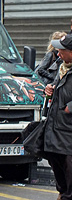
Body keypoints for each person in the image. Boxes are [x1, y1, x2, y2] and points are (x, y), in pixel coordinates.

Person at [44, 32, 72, 200]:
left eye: (62, 51)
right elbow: (55, 86)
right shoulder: (62, 68)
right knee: (55, 160)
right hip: (56, 127)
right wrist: (49, 89)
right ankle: (62, 193)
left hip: (69, 130)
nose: (58, 54)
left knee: (69, 166)